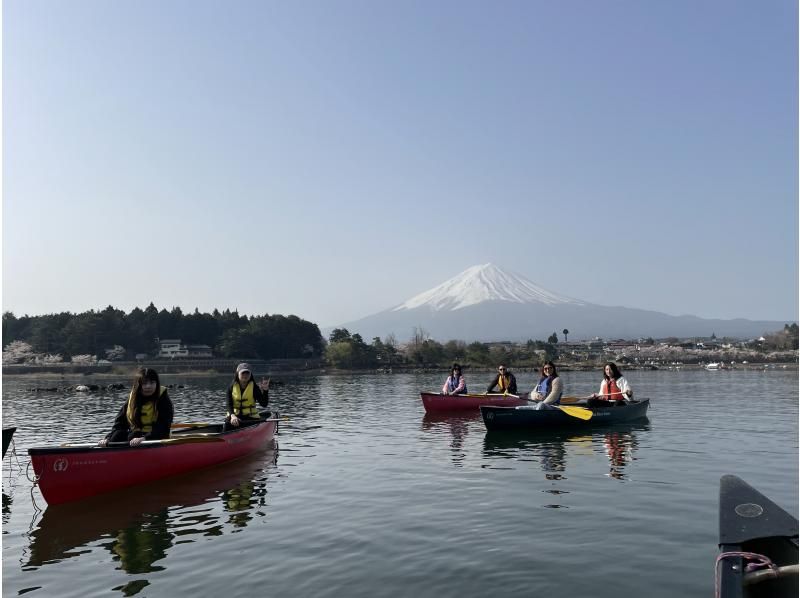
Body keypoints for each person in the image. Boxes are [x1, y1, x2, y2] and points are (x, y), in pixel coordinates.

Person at [99, 367, 174, 446]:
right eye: (144, 383)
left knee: (134, 436)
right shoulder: (133, 398)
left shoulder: (163, 400)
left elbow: (163, 426)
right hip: (136, 435)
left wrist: (144, 438)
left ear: (157, 384)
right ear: (138, 385)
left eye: (152, 383)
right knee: (118, 435)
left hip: (156, 436)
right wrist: (108, 438)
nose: (148, 386)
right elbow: (120, 423)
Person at [226, 363, 269, 429]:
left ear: (250, 374)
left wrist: (265, 391)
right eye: (243, 373)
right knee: (226, 426)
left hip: (250, 417)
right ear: (238, 374)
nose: (245, 375)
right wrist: (233, 416)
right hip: (234, 417)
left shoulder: (254, 388)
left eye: (247, 373)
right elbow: (229, 404)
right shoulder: (231, 387)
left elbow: (264, 404)